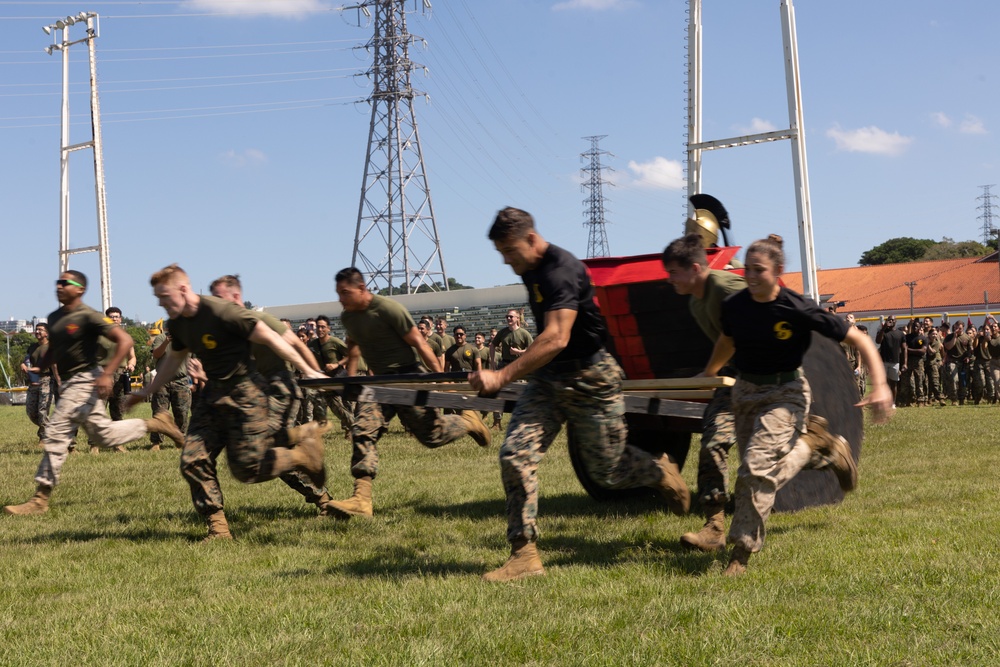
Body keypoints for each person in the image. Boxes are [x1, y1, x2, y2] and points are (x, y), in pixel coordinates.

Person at [469, 207, 690, 582]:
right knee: (514, 456)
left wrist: (502, 376)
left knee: (607, 472)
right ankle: (524, 554)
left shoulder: (560, 270)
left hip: (591, 377)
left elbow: (557, 337)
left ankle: (658, 471)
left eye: (509, 250)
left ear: (531, 239)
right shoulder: (531, 267)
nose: (506, 261)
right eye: (501, 253)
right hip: (548, 378)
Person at [700, 235, 892, 576]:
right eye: (749, 269)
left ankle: (740, 554)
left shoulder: (797, 308)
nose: (752, 277)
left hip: (785, 392)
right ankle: (823, 451)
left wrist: (880, 385)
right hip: (745, 392)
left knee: (754, 469)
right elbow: (727, 340)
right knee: (753, 471)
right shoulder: (735, 306)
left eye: (760, 270)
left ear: (778, 271)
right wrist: (710, 372)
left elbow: (859, 337)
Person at [126, 265, 328, 540]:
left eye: (164, 295)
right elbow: (174, 358)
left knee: (247, 469)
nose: (160, 303)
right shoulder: (179, 323)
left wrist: (307, 368)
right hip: (212, 396)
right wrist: (148, 388)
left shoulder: (221, 312)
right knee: (192, 459)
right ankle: (218, 528)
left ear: (183, 289)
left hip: (245, 394)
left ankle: (302, 456)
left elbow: (270, 337)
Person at [3, 271, 185, 516]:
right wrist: (41, 365)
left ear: (79, 289)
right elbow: (55, 350)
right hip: (69, 383)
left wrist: (106, 373)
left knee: (55, 433)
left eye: (65, 283)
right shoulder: (56, 317)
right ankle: (157, 424)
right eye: (58, 282)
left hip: (84, 380)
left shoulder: (88, 316)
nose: (59, 285)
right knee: (104, 436)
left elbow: (124, 340)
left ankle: (40, 499)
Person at [322, 267, 492, 521]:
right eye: (338, 294)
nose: (341, 299)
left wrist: (439, 380)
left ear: (361, 288)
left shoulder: (388, 309)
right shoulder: (349, 318)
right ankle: (362, 498)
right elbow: (354, 346)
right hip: (379, 383)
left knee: (432, 436)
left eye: (345, 293)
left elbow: (420, 343)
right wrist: (352, 378)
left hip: (409, 377)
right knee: (362, 429)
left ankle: (467, 421)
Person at [210, 275, 335, 514]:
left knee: (264, 452)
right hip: (252, 397)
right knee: (259, 455)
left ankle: (322, 497)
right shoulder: (225, 332)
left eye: (219, 298)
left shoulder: (259, 319)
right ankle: (303, 442)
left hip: (279, 391)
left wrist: (314, 373)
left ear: (236, 297)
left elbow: (297, 344)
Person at [660, 232, 747, 552]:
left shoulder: (728, 288)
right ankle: (714, 527)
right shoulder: (696, 302)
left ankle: (826, 445)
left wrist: (709, 371)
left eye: (673, 272)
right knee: (712, 443)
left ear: (695, 268)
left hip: (769, 377)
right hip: (734, 377)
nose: (670, 280)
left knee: (790, 451)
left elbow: (754, 324)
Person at [308, 314, 356, 437]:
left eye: (323, 327)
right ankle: (352, 427)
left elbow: (351, 355)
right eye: (318, 327)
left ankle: (353, 429)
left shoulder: (335, 342)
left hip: (338, 378)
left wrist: (337, 364)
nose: (320, 330)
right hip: (324, 381)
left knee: (344, 406)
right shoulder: (312, 345)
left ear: (329, 328)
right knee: (333, 407)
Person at [148, 327, 191, 451]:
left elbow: (194, 359)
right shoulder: (161, 338)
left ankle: (180, 439)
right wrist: (166, 341)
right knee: (159, 412)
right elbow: (156, 354)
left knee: (182, 412)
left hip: (181, 381)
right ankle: (156, 442)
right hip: (162, 381)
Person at [21, 323, 54, 447]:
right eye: (36, 329)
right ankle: (49, 429)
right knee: (31, 412)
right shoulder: (32, 347)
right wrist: (23, 365)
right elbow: (27, 360)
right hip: (33, 381)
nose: (38, 331)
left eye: (41, 330)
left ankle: (44, 437)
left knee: (42, 410)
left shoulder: (51, 347)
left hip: (47, 380)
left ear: (47, 333)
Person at [104, 306, 137, 422]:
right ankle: (95, 439)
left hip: (120, 375)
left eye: (116, 317)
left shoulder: (125, 337)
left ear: (120, 319)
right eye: (111, 317)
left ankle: (116, 436)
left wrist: (131, 365)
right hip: (104, 373)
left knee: (118, 408)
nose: (114, 319)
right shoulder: (100, 336)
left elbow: (132, 357)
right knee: (99, 406)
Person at [876, 315, 905, 407]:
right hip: (883, 361)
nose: (891, 321)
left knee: (893, 383)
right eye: (889, 320)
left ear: (896, 321)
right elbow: (878, 341)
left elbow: (904, 349)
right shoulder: (883, 332)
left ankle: (892, 403)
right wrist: (883, 329)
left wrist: (904, 363)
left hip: (895, 362)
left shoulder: (900, 334)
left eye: (892, 320)